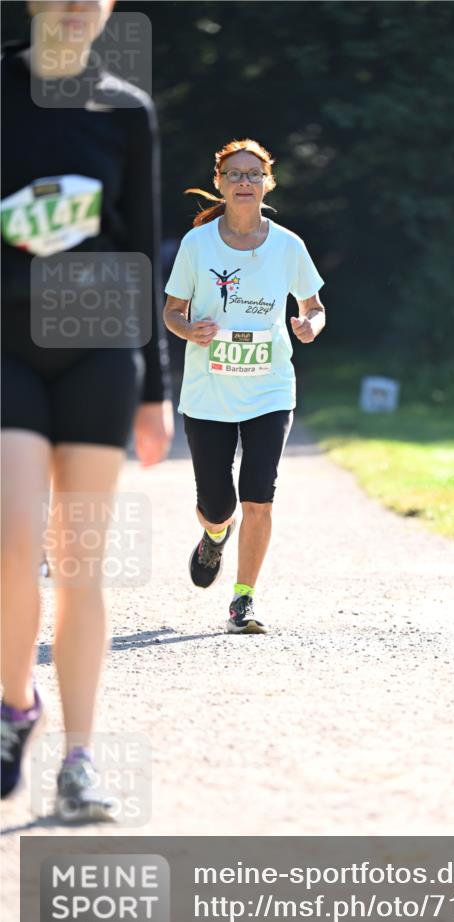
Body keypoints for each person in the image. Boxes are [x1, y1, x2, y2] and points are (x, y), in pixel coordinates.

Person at [0, 0, 173, 819]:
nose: (76, 9)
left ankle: (77, 761)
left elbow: (141, 245)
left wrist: (155, 390)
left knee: (79, 562)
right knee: (11, 540)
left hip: (101, 350)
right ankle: (13, 705)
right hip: (6, 346)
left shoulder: (124, 111)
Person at [163, 138, 325, 634]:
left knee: (260, 496)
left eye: (253, 174)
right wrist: (188, 329)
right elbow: (172, 311)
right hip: (208, 391)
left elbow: (312, 306)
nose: (244, 182)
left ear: (267, 183)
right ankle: (214, 534)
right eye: (234, 174)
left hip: (270, 388)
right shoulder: (197, 245)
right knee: (219, 504)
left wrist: (309, 325)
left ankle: (243, 599)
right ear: (220, 183)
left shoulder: (288, 245)